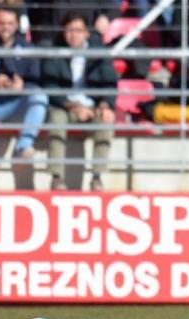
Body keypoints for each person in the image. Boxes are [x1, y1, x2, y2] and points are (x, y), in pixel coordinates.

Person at [42, 12, 117, 191]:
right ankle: (56, 178)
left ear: (87, 33)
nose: (74, 35)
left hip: (92, 105)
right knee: (56, 120)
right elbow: (50, 87)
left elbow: (110, 82)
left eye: (78, 30)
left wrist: (105, 105)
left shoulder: (98, 53)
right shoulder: (55, 51)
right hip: (65, 106)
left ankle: (97, 178)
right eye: (69, 30)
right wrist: (74, 107)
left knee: (106, 120)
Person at [0, 5, 48, 170]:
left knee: (39, 96)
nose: (5, 27)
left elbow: (36, 79)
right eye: (1, 23)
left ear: (16, 25)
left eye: (10, 23)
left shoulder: (27, 48)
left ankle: (23, 147)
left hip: (16, 106)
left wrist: (22, 85)